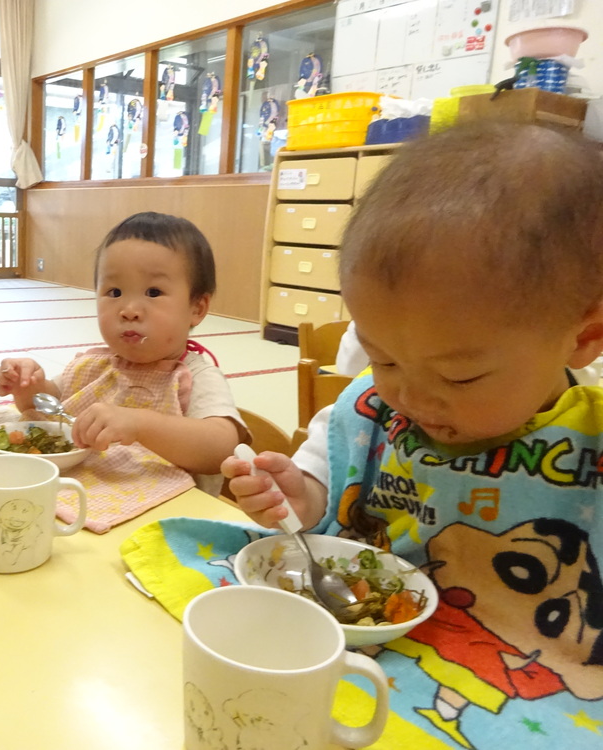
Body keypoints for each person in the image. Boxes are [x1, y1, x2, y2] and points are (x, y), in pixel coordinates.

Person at [222, 122, 603, 743]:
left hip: (527, 691)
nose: (409, 398)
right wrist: (300, 497)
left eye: (460, 375)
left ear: (583, 335)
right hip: (346, 664)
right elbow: (323, 490)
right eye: (384, 359)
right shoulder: (370, 410)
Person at [0, 211, 246, 495]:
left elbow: (222, 448)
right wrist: (29, 384)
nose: (128, 310)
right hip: (85, 502)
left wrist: (139, 424)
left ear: (196, 308)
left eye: (153, 292)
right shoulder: (92, 366)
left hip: (162, 520)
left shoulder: (197, 375)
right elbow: (49, 409)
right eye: (114, 292)